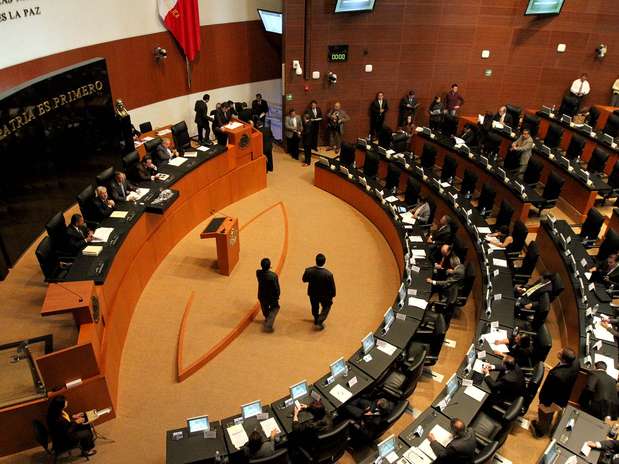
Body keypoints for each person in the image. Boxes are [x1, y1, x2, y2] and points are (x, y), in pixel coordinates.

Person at [531, 347, 578, 437]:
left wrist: (543, 402)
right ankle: (547, 423)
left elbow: (549, 392)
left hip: (551, 400)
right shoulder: (575, 363)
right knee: (550, 414)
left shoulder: (557, 376)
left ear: (563, 359)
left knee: (544, 414)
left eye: (560, 353)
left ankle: (540, 431)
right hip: (563, 397)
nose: (558, 351)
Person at [302, 253, 336, 330]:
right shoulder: (328, 274)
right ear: (324, 262)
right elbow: (332, 287)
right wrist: (332, 295)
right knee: (327, 306)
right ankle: (320, 320)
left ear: (316, 261)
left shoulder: (309, 271)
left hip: (313, 293)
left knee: (314, 307)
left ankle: (316, 318)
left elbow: (304, 279)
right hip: (325, 295)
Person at [256, 258, 280, 332]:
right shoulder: (273, 276)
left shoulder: (258, 273)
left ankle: (267, 317)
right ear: (269, 266)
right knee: (275, 307)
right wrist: (277, 295)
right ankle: (269, 323)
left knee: (265, 308)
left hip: (262, 295)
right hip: (271, 296)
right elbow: (276, 288)